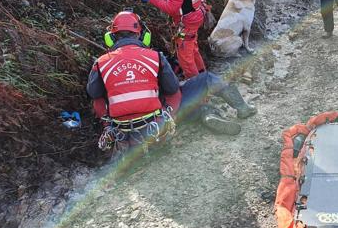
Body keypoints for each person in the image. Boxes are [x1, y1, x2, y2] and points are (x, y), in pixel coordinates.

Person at [86, 12, 257, 155]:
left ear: (110, 38)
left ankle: (207, 113)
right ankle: (240, 108)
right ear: (142, 35)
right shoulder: (155, 57)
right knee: (205, 79)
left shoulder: (100, 64)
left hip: (123, 135)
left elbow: (94, 95)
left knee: (101, 98)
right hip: (156, 129)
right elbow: (173, 89)